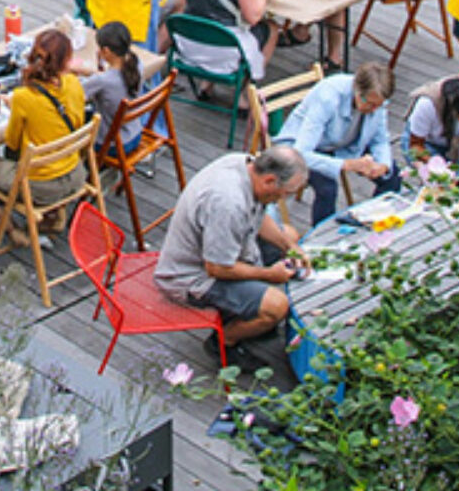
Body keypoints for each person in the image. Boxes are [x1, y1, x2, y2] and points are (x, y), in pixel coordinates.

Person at [154, 146, 309, 366]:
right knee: (277, 306)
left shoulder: (246, 164)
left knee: (289, 235)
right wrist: (268, 275)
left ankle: (251, 317)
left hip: (227, 248)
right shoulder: (228, 202)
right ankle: (224, 341)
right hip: (191, 276)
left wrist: (290, 246)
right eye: (287, 193)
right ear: (270, 180)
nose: (285, 199)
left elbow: (258, 215)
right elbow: (217, 268)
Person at [0, 29, 89, 249]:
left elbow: (12, 142)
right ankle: (55, 214)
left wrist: (16, 107)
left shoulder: (24, 98)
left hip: (41, 187)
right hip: (76, 173)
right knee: (27, 151)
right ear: (66, 61)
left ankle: (14, 230)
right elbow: (77, 123)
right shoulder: (74, 84)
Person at [277, 64, 398, 225]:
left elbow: (380, 139)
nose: (373, 109)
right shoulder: (329, 96)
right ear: (357, 89)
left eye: (378, 105)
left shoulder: (377, 105)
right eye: (368, 103)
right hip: (307, 148)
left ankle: (374, 220)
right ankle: (321, 238)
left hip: (345, 144)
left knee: (392, 174)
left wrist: (383, 165)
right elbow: (301, 153)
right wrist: (346, 164)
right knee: (327, 189)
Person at [82, 21, 149, 154]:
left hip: (111, 143)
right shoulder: (137, 64)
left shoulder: (103, 80)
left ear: (106, 51)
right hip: (134, 132)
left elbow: (75, 93)